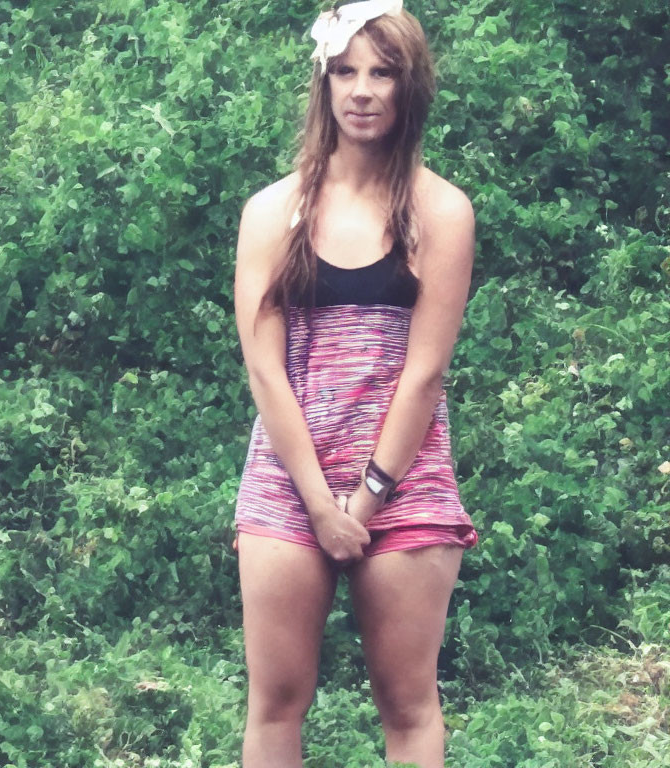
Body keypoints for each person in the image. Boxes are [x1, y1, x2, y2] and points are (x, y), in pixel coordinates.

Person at [232, 1, 478, 765]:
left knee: (408, 707)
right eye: (345, 72)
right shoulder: (274, 210)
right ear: (324, 82)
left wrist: (365, 498)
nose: (362, 90)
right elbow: (264, 364)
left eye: (382, 72)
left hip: (404, 481)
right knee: (275, 704)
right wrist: (318, 503)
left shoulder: (442, 211)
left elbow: (425, 372)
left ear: (411, 87)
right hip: (286, 477)